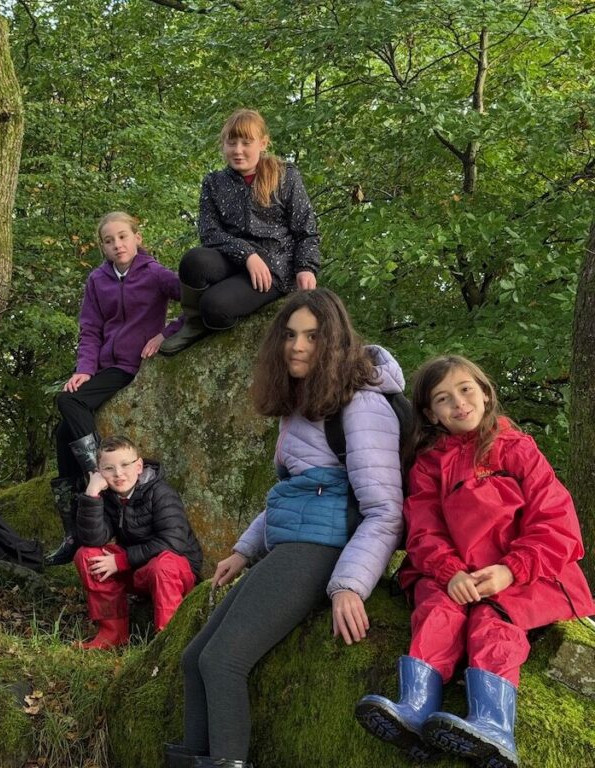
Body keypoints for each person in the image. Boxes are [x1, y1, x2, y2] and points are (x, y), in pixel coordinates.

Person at [168, 288, 404, 768]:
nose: (297, 346)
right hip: (291, 541)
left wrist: (349, 586)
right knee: (195, 660)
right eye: (290, 335)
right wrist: (243, 550)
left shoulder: (362, 405)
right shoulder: (302, 402)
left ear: (334, 342)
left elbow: (386, 511)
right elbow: (295, 492)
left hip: (320, 548)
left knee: (222, 661)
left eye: (312, 337)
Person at [355, 355, 595, 768]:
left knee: (492, 622)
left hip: (520, 575)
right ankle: (415, 708)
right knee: (436, 611)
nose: (459, 404)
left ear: (485, 393)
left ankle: (493, 725)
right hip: (454, 575)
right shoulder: (430, 464)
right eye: (443, 399)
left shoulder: (517, 448)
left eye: (466, 390)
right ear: (431, 413)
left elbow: (555, 521)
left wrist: (511, 569)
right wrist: (450, 572)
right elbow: (423, 529)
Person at [46, 211, 183, 566]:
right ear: (103, 247)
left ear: (137, 237)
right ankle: (73, 534)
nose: (117, 244)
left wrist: (165, 334)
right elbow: (90, 329)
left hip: (131, 366)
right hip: (103, 367)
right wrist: (84, 370)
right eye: (109, 240)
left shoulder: (155, 273)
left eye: (123, 237)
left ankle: (97, 473)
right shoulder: (97, 280)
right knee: (64, 433)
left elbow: (195, 302)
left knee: (68, 402)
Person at [159, 108, 320, 357]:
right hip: (234, 258)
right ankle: (193, 323)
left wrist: (306, 267)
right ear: (223, 145)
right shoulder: (214, 182)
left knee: (215, 306)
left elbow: (306, 229)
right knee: (193, 261)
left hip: (274, 266)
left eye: (246, 142)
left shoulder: (286, 176)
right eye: (231, 143)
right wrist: (247, 255)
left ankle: (217, 315)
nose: (238, 150)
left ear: (263, 143)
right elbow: (209, 232)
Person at [73, 435, 203, 650]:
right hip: (137, 569)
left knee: (164, 565)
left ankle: (167, 642)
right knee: (87, 555)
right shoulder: (108, 496)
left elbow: (173, 542)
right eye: (109, 468)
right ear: (99, 471)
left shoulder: (161, 493)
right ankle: (112, 633)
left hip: (176, 571)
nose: (118, 474)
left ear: (139, 465)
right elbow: (92, 539)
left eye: (125, 465)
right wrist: (92, 494)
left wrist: (122, 560)